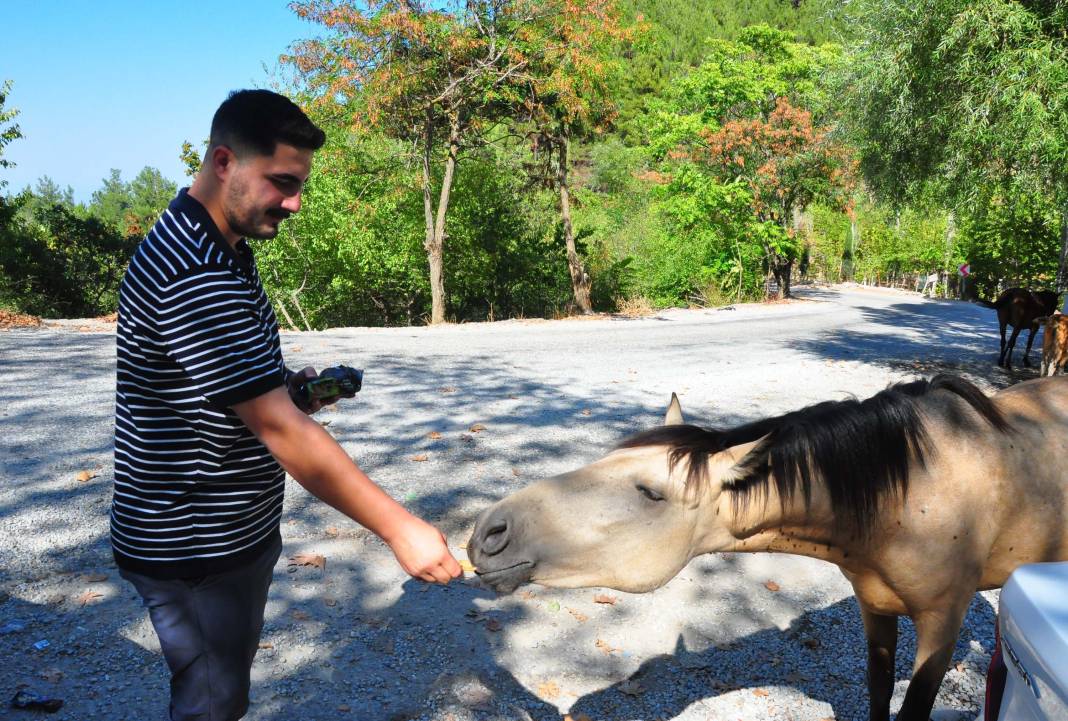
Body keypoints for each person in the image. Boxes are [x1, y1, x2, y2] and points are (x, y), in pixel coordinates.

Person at [111, 89, 461, 720]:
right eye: (281, 182)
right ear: (224, 162)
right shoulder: (195, 269)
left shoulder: (220, 242)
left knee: (223, 687)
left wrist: (290, 392)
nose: (294, 203)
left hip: (230, 528)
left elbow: (231, 393)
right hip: (194, 541)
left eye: (299, 184)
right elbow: (279, 429)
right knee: (212, 703)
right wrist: (399, 528)